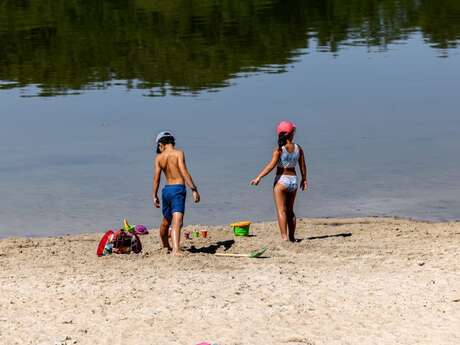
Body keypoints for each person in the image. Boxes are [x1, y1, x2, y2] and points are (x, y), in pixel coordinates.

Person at [250, 121, 308, 241]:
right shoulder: (298, 148)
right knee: (291, 210)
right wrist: (304, 179)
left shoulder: (279, 150)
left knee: (281, 211)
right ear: (291, 134)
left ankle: (284, 237)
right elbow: (303, 165)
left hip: (281, 180)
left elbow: (271, 165)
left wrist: (258, 177)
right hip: (294, 181)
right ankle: (292, 237)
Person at [152, 131, 200, 255]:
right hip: (178, 189)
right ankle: (176, 249)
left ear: (161, 144)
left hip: (166, 190)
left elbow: (156, 178)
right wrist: (193, 189)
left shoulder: (159, 158)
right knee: (177, 220)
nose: (159, 148)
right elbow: (183, 171)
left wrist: (154, 195)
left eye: (158, 146)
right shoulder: (178, 153)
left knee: (166, 220)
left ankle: (165, 245)